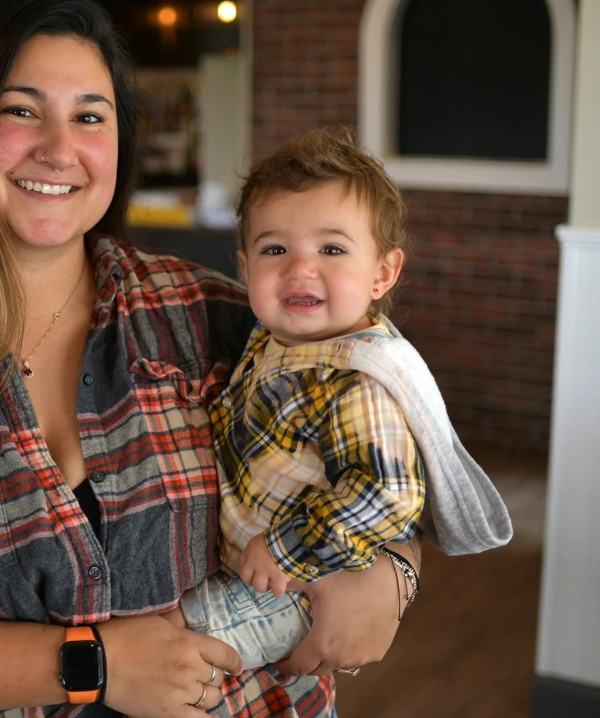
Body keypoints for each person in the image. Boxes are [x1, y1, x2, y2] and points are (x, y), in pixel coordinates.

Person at [0, 0, 421, 716]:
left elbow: (387, 462)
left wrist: (393, 574)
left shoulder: (213, 318)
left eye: (90, 116)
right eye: (21, 111)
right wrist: (90, 662)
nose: (59, 149)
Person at [165, 129, 513, 673]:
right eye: (275, 249)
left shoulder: (356, 379)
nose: (300, 269)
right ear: (245, 266)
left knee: (173, 651)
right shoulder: (275, 340)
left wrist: (285, 549)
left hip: (302, 583)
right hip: (259, 570)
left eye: (331, 249)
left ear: (382, 273)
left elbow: (389, 494)